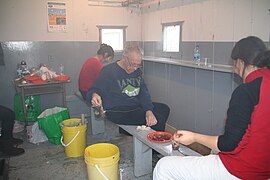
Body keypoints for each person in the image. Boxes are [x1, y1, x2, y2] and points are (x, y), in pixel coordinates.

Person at [153, 36, 270, 179]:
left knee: (163, 167)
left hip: (241, 170)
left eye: (234, 63)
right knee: (211, 155)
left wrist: (194, 137)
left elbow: (229, 144)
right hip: (264, 168)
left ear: (240, 62)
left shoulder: (246, 91)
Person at [86, 44, 170, 132]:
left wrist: (148, 110)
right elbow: (93, 89)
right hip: (117, 110)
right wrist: (94, 95)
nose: (135, 68)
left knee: (164, 109)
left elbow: (143, 92)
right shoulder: (108, 71)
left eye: (138, 65)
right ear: (124, 58)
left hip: (133, 106)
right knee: (159, 120)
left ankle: (131, 132)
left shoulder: (137, 71)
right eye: (132, 64)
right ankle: (154, 141)